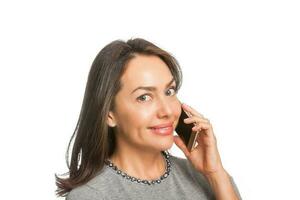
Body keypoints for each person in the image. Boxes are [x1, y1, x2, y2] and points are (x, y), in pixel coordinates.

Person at [55, 38, 242, 200]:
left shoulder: (208, 177)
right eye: (144, 97)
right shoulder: (92, 195)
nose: (167, 110)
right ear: (109, 114)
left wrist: (215, 173)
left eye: (169, 91)